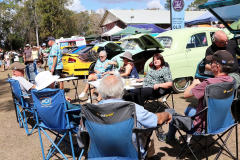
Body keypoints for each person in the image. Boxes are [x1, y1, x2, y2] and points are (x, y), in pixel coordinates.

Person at [159, 50, 234, 143]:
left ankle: (170, 138)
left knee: (171, 115)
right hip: (223, 124)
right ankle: (188, 142)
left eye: (211, 63)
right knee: (188, 110)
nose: (210, 65)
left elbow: (186, 94)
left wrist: (194, 84)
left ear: (217, 66)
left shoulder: (209, 84)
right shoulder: (231, 81)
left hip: (203, 129)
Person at [90, 74, 172, 158]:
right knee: (148, 130)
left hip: (98, 155)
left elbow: (82, 139)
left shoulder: (90, 111)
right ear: (122, 89)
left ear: (100, 91)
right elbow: (158, 120)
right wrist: (167, 114)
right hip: (129, 155)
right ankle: (150, 158)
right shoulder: (132, 108)